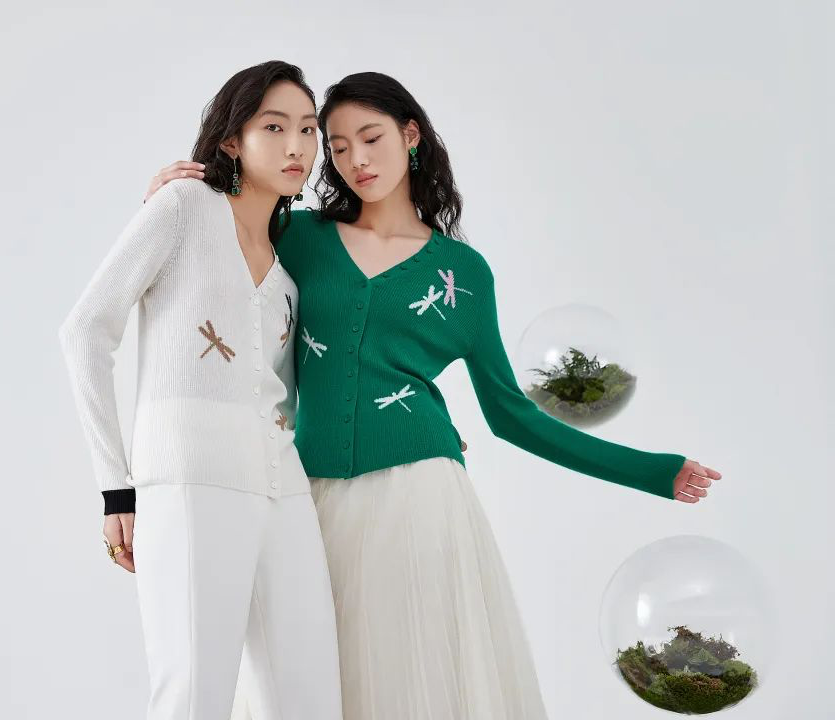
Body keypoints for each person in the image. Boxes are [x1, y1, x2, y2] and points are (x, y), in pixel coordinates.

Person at [142, 71, 722, 720]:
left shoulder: (462, 274)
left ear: (410, 136)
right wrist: (177, 194)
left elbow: (512, 416)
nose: (356, 160)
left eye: (371, 138)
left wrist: (654, 471)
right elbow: (217, 240)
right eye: (338, 146)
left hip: (419, 499)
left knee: (412, 683)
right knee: (306, 688)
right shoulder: (299, 236)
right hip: (305, 499)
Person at [58, 60, 342, 720]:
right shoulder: (183, 207)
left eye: (308, 129)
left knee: (311, 697)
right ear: (231, 139)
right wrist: (115, 487)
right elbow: (85, 332)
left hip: (284, 485)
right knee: (193, 696)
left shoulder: (290, 261)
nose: (298, 146)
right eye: (275, 127)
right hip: (190, 479)